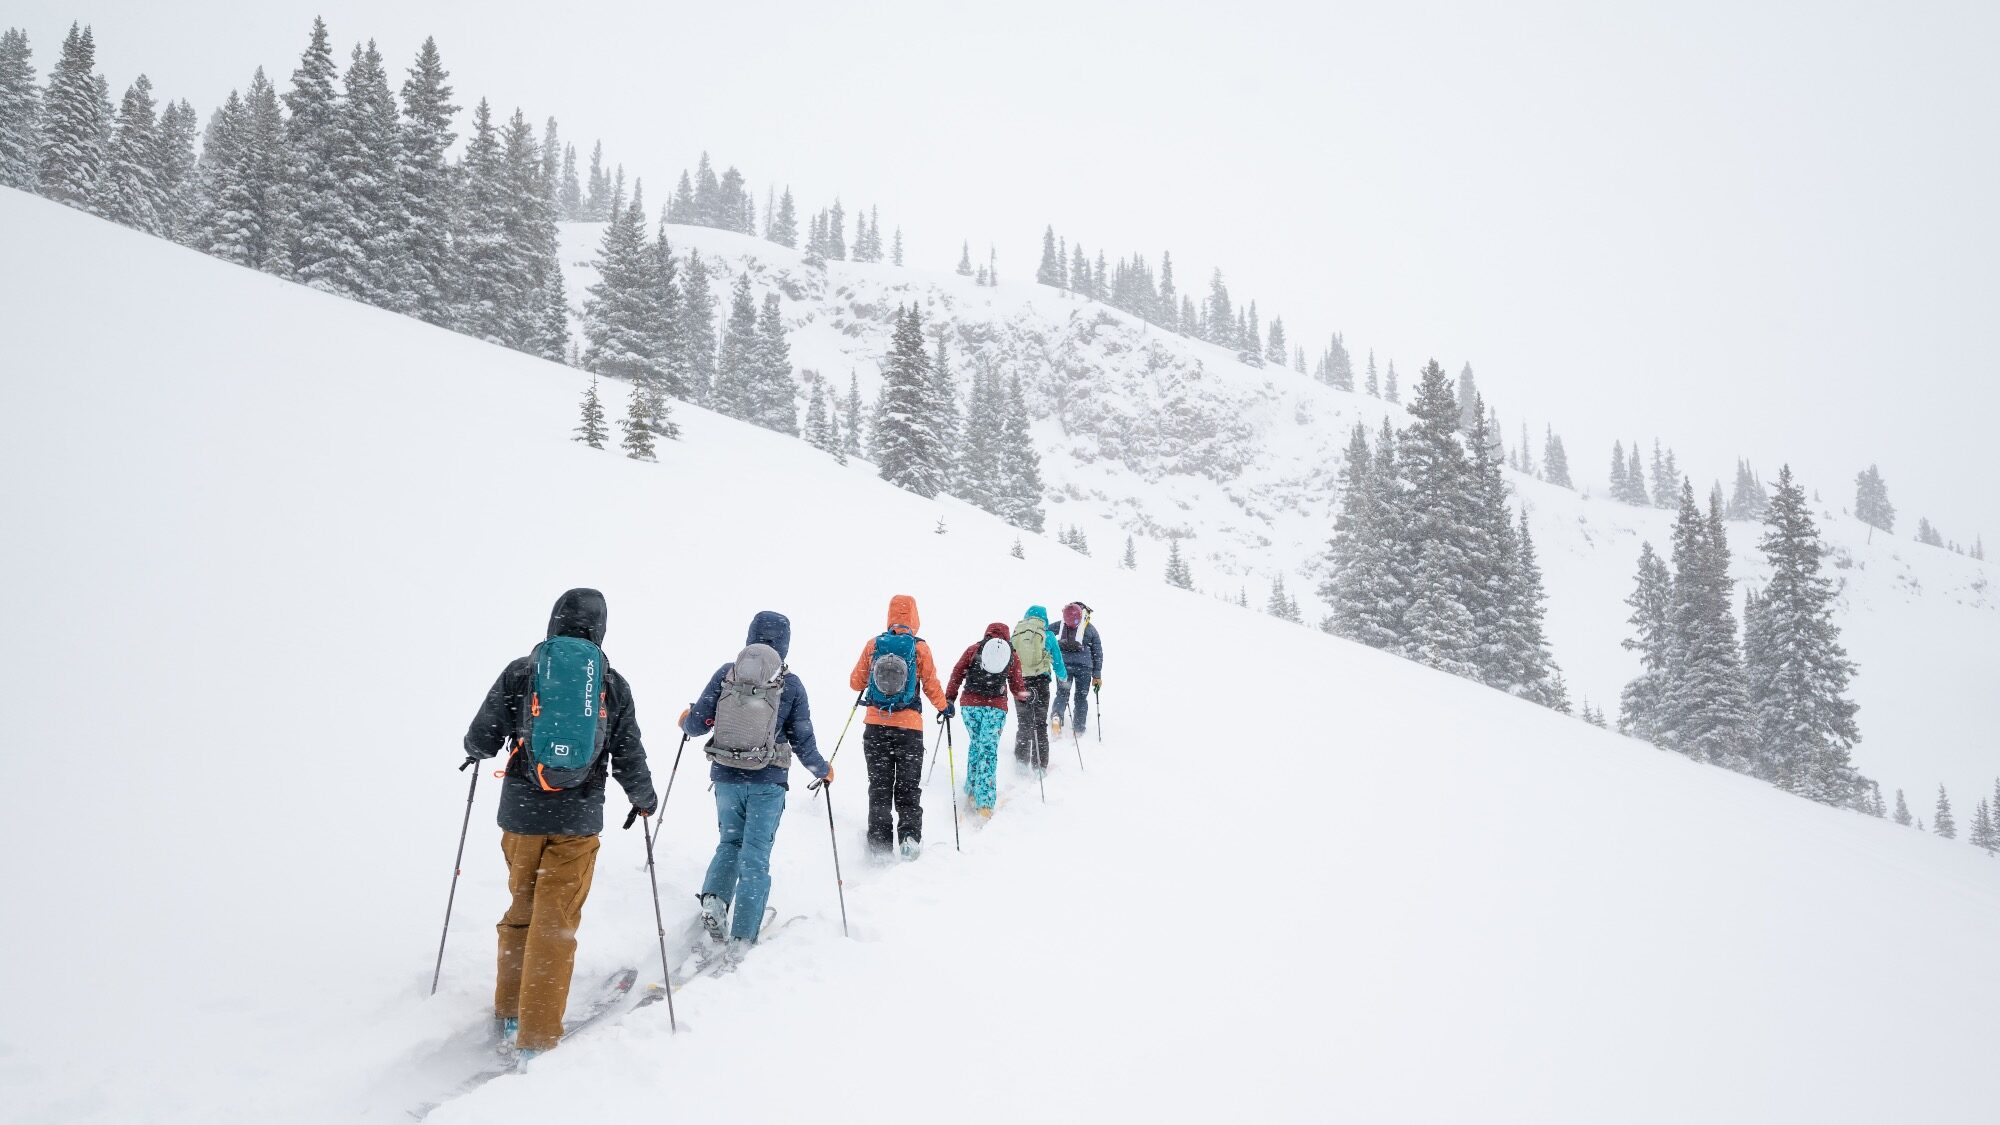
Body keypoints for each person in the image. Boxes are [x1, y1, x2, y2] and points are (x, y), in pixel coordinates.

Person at [462, 588, 657, 1060]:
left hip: (520, 816)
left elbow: (482, 735)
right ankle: (537, 1037)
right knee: (556, 924)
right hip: (577, 820)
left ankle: (509, 1011)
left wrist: (474, 752)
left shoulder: (522, 671)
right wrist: (643, 798)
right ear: (600, 628)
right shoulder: (611, 683)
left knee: (521, 910)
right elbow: (627, 750)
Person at [680, 610, 831, 965]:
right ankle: (743, 936)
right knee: (756, 855)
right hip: (767, 781)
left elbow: (698, 724)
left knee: (730, 841)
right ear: (786, 643)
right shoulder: (790, 684)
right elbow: (802, 738)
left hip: (726, 777)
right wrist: (822, 770)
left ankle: (715, 900)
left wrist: (685, 720)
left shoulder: (726, 673)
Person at [848, 594, 949, 859]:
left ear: (889, 616)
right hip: (910, 729)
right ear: (915, 617)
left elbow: (855, 683)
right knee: (908, 786)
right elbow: (930, 684)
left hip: (876, 726)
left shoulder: (874, 645)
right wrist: (943, 707)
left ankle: (879, 845)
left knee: (879, 787)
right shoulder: (920, 648)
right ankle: (909, 838)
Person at [943, 623, 1030, 817]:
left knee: (976, 744)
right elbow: (1017, 687)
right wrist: (1027, 696)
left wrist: (949, 698)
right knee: (988, 751)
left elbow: (957, 673)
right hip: (996, 707)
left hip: (970, 705)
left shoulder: (974, 649)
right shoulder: (1011, 655)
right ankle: (985, 803)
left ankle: (972, 789)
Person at [1011, 604, 1068, 773]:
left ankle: (1021, 763)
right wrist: (1063, 678)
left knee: (1024, 723)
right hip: (1040, 684)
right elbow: (1057, 662)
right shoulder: (1048, 635)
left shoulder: (1017, 634)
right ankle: (1040, 767)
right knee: (1040, 724)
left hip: (1020, 684)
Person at [1050, 602, 1104, 737]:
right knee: (1081, 697)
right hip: (1084, 668)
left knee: (1062, 693)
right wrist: (1096, 675)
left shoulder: (1061, 624)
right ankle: (1079, 727)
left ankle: (1057, 716)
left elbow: (1046, 630)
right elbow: (1097, 653)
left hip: (1064, 665)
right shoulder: (1090, 628)